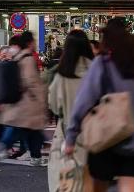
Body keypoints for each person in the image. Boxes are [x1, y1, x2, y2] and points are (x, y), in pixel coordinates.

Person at [64, 19, 134, 192]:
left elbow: (84, 100)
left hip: (104, 136)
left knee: (98, 185)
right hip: (133, 136)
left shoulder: (102, 64)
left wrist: (71, 136)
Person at [47, 29, 94, 192]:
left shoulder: (62, 75)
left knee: (65, 182)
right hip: (96, 135)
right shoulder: (97, 72)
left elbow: (53, 105)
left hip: (67, 134)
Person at [0, 31, 48, 167]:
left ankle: (34, 155)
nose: (35, 43)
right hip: (29, 103)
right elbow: (30, 80)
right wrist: (41, 97)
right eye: (34, 41)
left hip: (22, 103)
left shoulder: (17, 56)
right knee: (29, 130)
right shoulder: (28, 58)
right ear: (29, 43)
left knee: (29, 131)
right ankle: (7, 146)